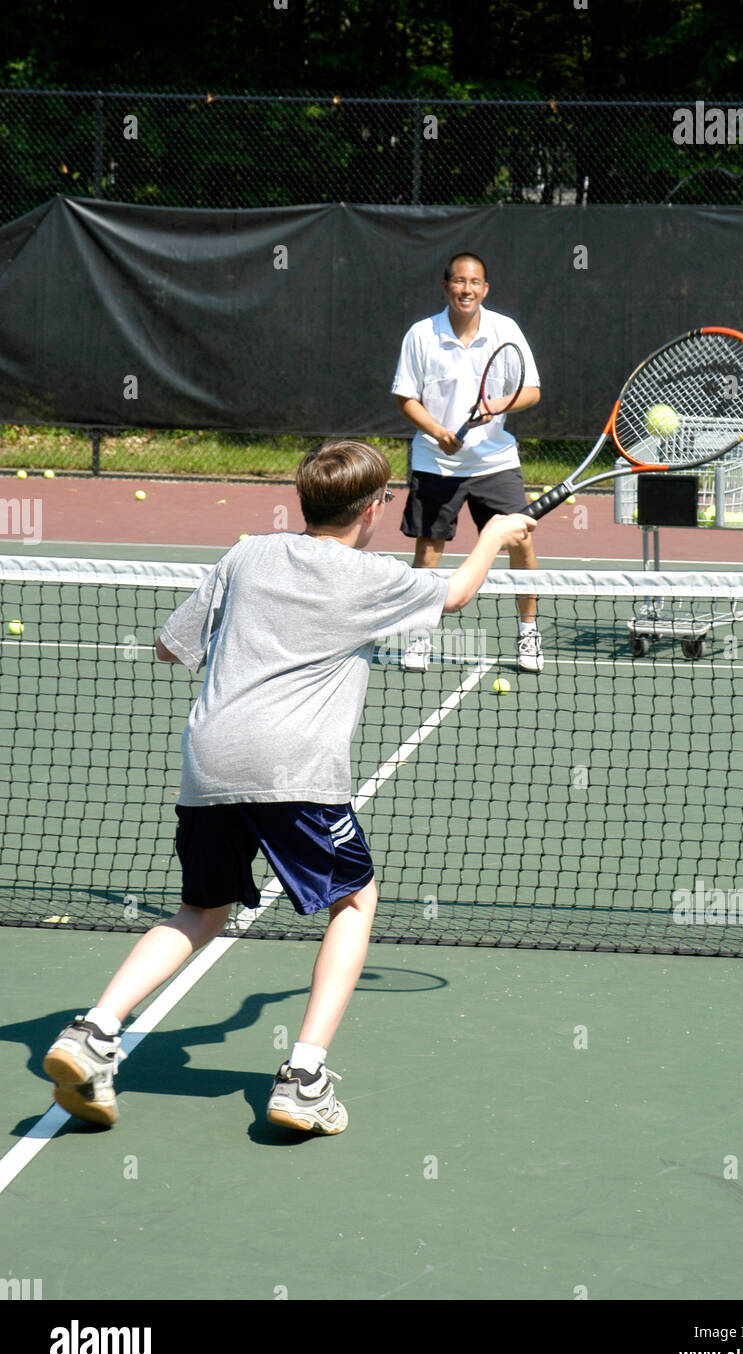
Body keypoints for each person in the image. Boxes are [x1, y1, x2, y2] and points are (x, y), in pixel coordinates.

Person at [41, 440, 536, 1136]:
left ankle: (92, 1033)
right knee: (355, 902)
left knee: (199, 911)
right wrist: (493, 534)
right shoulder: (371, 576)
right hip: (292, 770)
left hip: (210, 761)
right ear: (372, 509)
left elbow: (169, 646)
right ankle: (303, 1076)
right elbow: (454, 594)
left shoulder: (247, 554)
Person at [392, 251, 544, 671]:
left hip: (495, 459)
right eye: (459, 282)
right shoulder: (422, 335)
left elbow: (530, 390)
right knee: (429, 549)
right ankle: (419, 635)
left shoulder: (504, 330)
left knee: (522, 540)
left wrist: (495, 406)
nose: (467, 289)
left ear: (485, 289)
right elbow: (406, 397)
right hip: (435, 462)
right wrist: (438, 433)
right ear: (446, 287)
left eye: (475, 282)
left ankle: (528, 633)